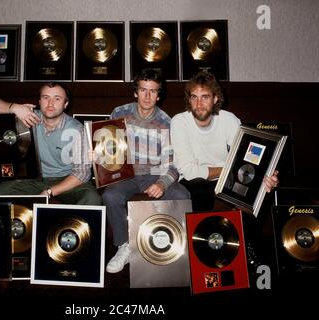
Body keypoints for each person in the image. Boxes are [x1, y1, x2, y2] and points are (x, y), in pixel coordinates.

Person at [102, 69, 191, 273]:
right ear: (136, 92)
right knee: (110, 195)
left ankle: (173, 249)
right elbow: (109, 149)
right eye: (143, 90)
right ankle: (123, 246)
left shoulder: (166, 122)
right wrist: (98, 155)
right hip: (126, 173)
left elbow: (173, 163)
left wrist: (162, 183)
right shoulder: (119, 113)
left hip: (155, 173)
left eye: (153, 91)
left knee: (182, 194)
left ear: (159, 94)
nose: (147, 96)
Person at [170, 71, 279, 212]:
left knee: (260, 189)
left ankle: (244, 233)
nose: (199, 104)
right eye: (194, 97)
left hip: (227, 179)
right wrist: (230, 171)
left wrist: (267, 173)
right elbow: (190, 172)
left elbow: (249, 153)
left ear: (215, 99)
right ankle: (202, 234)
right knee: (200, 187)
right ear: (189, 100)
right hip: (194, 182)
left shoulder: (228, 119)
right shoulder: (179, 121)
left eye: (205, 97)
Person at [0, 82, 102, 205]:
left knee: (93, 199)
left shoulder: (76, 129)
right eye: (46, 97)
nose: (50, 103)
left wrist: (50, 191)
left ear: (65, 104)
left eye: (57, 98)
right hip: (33, 179)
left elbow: (82, 173)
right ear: (39, 101)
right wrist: (13, 107)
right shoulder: (28, 117)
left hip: (67, 179)